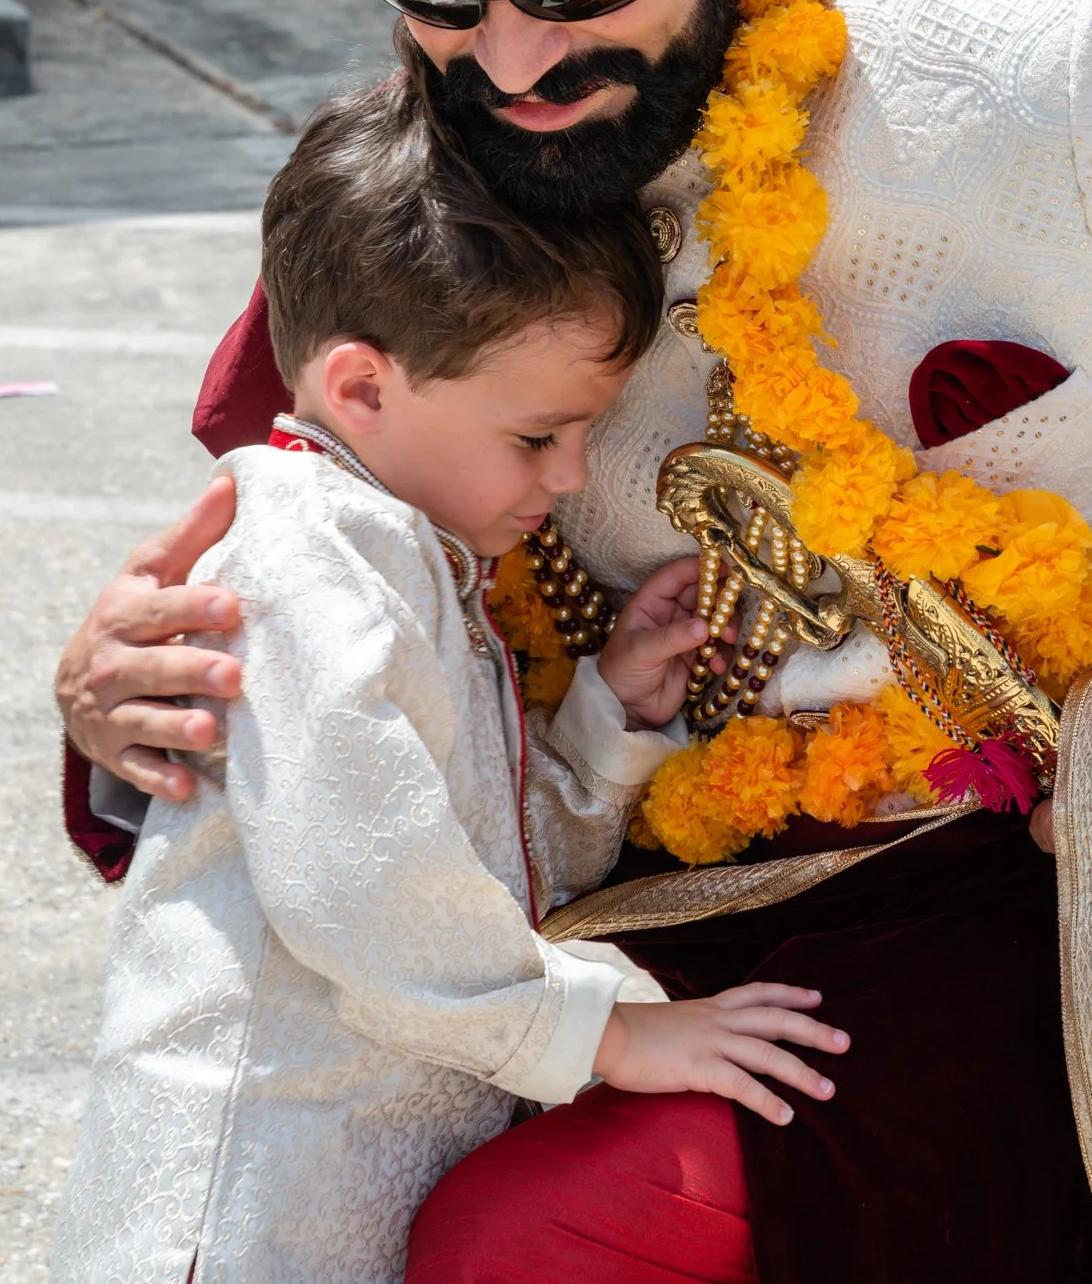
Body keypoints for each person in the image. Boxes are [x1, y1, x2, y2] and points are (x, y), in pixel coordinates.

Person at [56, 0, 1092, 1278]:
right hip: (647, 886)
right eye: (438, 0)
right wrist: (129, 695)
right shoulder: (443, 181)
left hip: (1061, 871)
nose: (512, 62)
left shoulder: (1064, 72)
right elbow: (292, 570)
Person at [51, 79, 852, 1284]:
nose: (572, 474)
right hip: (240, 1199)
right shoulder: (312, 550)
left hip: (333, 1181)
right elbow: (361, 880)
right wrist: (613, 1034)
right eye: (538, 436)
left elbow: (472, 855)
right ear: (363, 387)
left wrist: (604, 717)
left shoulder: (409, 549)